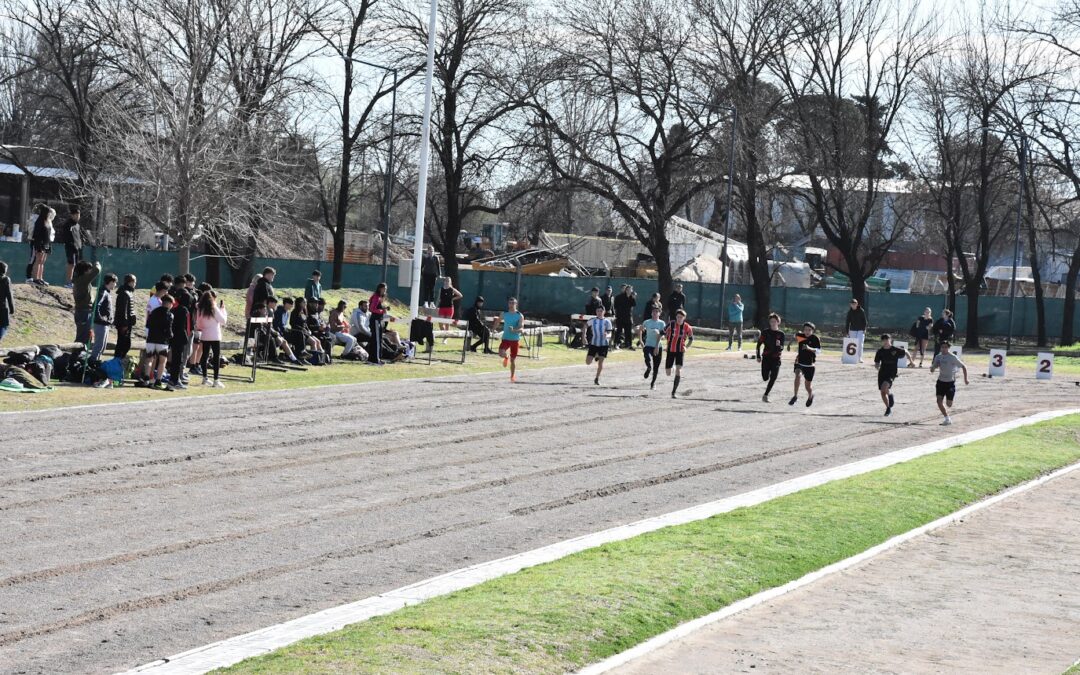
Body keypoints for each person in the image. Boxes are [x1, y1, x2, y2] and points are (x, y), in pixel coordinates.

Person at [874, 333, 914, 417]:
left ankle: (890, 395)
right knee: (882, 392)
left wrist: (911, 361)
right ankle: (888, 408)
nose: (885, 342)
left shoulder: (895, 349)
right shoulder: (880, 351)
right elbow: (877, 362)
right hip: (882, 372)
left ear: (890, 340)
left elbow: (906, 351)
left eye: (887, 340)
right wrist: (877, 366)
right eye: (884, 340)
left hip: (891, 372)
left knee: (884, 387)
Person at [930, 338, 968, 426]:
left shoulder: (952, 357)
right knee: (939, 401)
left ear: (948, 348)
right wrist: (933, 368)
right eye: (942, 347)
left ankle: (949, 403)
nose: (943, 349)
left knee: (949, 404)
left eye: (945, 347)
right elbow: (932, 369)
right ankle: (947, 418)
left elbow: (964, 367)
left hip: (950, 383)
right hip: (940, 382)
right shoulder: (938, 357)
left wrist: (966, 379)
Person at [139, 294, 174, 390]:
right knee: (162, 361)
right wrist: (171, 336)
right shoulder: (170, 314)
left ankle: (146, 378)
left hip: (151, 339)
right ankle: (158, 380)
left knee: (149, 359)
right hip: (162, 341)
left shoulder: (154, 312)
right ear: (170, 303)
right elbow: (169, 329)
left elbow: (148, 324)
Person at [196, 290, 228, 388]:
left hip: (205, 335)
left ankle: (205, 378)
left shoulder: (200, 309)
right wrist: (223, 309)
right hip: (215, 335)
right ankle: (216, 379)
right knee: (216, 356)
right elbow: (223, 320)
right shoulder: (214, 308)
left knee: (204, 356)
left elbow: (198, 324)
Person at [664, 308, 694, 398]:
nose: (679, 319)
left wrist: (686, 347)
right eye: (678, 317)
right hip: (670, 350)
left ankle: (673, 392)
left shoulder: (687, 327)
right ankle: (672, 367)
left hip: (680, 351)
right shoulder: (671, 324)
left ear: (684, 318)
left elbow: (691, 339)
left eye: (681, 317)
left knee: (679, 371)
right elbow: (663, 332)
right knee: (668, 373)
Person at [790, 321, 820, 407]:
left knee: (807, 387)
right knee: (797, 376)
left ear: (812, 331)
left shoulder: (815, 339)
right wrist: (789, 344)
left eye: (809, 330)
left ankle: (810, 396)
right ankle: (795, 396)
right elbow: (794, 336)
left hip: (810, 365)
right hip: (800, 362)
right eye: (805, 330)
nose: (807, 331)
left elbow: (819, 351)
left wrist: (809, 348)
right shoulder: (801, 336)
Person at [756, 312, 785, 403]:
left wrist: (779, 345)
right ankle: (767, 374)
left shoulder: (781, 334)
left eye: (775, 321)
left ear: (778, 322)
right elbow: (758, 344)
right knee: (765, 378)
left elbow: (782, 348)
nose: (773, 323)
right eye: (771, 321)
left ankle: (766, 395)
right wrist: (758, 356)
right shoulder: (765, 332)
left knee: (773, 377)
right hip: (766, 358)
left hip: (776, 359)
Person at [72, 260, 101, 344]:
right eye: (89, 270)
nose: (90, 272)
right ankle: (77, 354)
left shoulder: (79, 280)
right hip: (84, 312)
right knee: (83, 337)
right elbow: (97, 270)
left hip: (83, 311)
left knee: (87, 335)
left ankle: (82, 354)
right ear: (85, 271)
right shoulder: (82, 280)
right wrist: (97, 263)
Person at [496, 297, 524, 382]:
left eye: (513, 303)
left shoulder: (519, 315)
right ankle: (506, 356)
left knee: (513, 360)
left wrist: (514, 330)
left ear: (516, 304)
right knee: (501, 353)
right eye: (509, 303)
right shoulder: (504, 314)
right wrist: (494, 328)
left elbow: (521, 328)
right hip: (506, 338)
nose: (511, 305)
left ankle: (512, 376)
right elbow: (498, 321)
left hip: (515, 340)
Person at [90, 273, 117, 361]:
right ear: (111, 282)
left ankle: (96, 364)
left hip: (105, 324)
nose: (115, 285)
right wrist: (101, 319)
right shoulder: (103, 292)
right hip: (100, 324)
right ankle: (91, 364)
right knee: (98, 347)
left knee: (102, 347)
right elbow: (95, 306)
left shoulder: (107, 292)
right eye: (115, 282)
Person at [639, 304, 666, 390]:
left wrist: (659, 333)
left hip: (658, 346)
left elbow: (664, 337)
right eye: (653, 312)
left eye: (657, 312)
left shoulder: (662, 323)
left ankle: (653, 383)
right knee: (646, 354)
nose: (655, 313)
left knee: (656, 366)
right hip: (648, 344)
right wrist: (640, 340)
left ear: (659, 313)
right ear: (651, 313)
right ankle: (648, 367)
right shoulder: (647, 322)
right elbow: (640, 330)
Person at [55, 205, 82, 288]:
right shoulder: (68, 224)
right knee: (71, 264)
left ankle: (75, 282)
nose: (78, 217)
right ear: (72, 215)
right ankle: (68, 282)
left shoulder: (77, 225)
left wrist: (79, 245)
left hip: (77, 247)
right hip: (70, 247)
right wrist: (71, 244)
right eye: (76, 215)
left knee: (77, 265)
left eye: (79, 215)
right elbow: (66, 236)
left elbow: (78, 236)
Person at [586, 305, 613, 385]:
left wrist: (607, 335)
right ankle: (596, 355)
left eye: (601, 311)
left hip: (604, 344)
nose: (599, 313)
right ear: (596, 312)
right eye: (598, 311)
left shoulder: (607, 321)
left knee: (600, 363)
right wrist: (583, 336)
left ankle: (597, 378)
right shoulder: (593, 320)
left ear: (604, 312)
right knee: (588, 362)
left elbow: (610, 333)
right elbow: (585, 326)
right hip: (594, 343)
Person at [29, 204, 55, 286]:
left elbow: (48, 234)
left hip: (46, 244)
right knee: (38, 261)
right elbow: (36, 234)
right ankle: (35, 278)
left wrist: (49, 246)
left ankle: (40, 278)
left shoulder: (47, 221)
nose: (49, 214)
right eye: (48, 212)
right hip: (40, 244)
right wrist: (38, 245)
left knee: (42, 262)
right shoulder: (39, 221)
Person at [114, 274, 138, 360]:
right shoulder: (124, 293)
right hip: (124, 324)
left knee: (126, 344)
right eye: (134, 282)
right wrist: (124, 324)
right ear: (130, 282)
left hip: (128, 323)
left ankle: (120, 360)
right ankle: (117, 361)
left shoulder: (128, 292)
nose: (135, 284)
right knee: (122, 344)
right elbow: (122, 310)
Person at [437, 277, 463, 344]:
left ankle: (445, 339)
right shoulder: (441, 289)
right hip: (442, 307)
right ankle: (445, 334)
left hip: (449, 308)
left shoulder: (452, 289)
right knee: (440, 323)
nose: (446, 282)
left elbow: (460, 295)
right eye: (445, 281)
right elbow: (438, 298)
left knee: (447, 323)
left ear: (450, 282)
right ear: (444, 282)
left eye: (448, 281)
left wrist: (452, 299)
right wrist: (437, 306)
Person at [368, 283, 389, 364]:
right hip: (375, 320)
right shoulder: (376, 297)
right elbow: (371, 309)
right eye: (384, 288)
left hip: (379, 320)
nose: (385, 290)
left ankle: (373, 359)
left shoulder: (380, 298)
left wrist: (384, 309)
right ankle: (376, 359)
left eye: (386, 289)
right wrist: (381, 311)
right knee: (377, 340)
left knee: (377, 339)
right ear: (380, 288)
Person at [612, 284, 636, 349]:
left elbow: (633, 304)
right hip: (620, 317)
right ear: (625, 290)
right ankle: (616, 343)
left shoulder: (631, 297)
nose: (629, 291)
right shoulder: (619, 297)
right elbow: (615, 306)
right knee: (619, 331)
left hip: (628, 317)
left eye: (630, 290)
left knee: (628, 332)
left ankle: (629, 345)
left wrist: (632, 297)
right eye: (628, 289)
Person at [845, 298, 868, 363]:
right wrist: (847, 332)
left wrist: (864, 329)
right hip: (852, 330)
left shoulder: (861, 311)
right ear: (850, 305)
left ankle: (859, 358)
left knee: (860, 344)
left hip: (861, 330)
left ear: (857, 304)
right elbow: (847, 322)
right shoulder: (849, 312)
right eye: (852, 304)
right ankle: (852, 357)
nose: (853, 305)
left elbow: (865, 321)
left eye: (854, 304)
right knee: (853, 344)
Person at [0, 261, 14, 343]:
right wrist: (12, 309)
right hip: (2, 308)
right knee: (3, 326)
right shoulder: (5, 279)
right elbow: (9, 295)